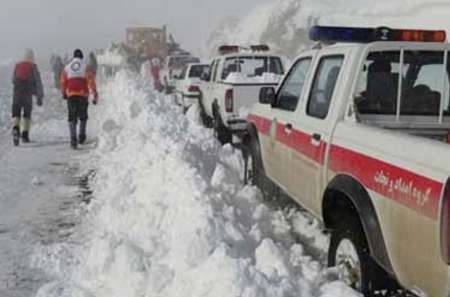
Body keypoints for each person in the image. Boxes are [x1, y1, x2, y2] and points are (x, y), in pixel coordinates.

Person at [60, 49, 98, 149]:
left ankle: (73, 139)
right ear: (81, 56)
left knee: (72, 117)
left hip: (71, 94)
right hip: (82, 94)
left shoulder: (67, 67)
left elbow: (63, 81)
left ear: (73, 57)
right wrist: (94, 94)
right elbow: (91, 81)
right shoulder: (86, 66)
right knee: (83, 116)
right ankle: (81, 136)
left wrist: (64, 92)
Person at [11, 48, 44, 145]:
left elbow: (13, 80)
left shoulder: (17, 65)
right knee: (26, 114)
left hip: (17, 93)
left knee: (16, 113)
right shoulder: (33, 66)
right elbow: (38, 82)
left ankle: (16, 129)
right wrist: (39, 96)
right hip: (27, 93)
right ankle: (25, 135)